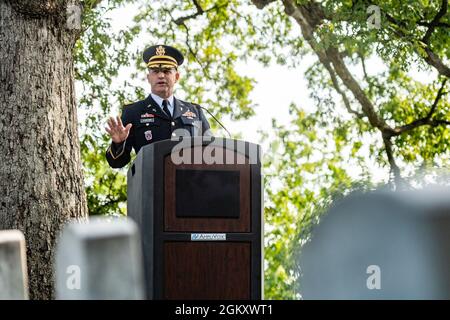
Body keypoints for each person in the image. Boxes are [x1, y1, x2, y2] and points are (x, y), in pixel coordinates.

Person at [105, 45, 211, 168]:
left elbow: (211, 151)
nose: (161, 76)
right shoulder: (134, 112)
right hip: (152, 184)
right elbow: (116, 163)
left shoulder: (194, 111)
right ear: (148, 78)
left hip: (190, 183)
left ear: (176, 77)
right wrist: (118, 143)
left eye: (166, 71)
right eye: (155, 71)